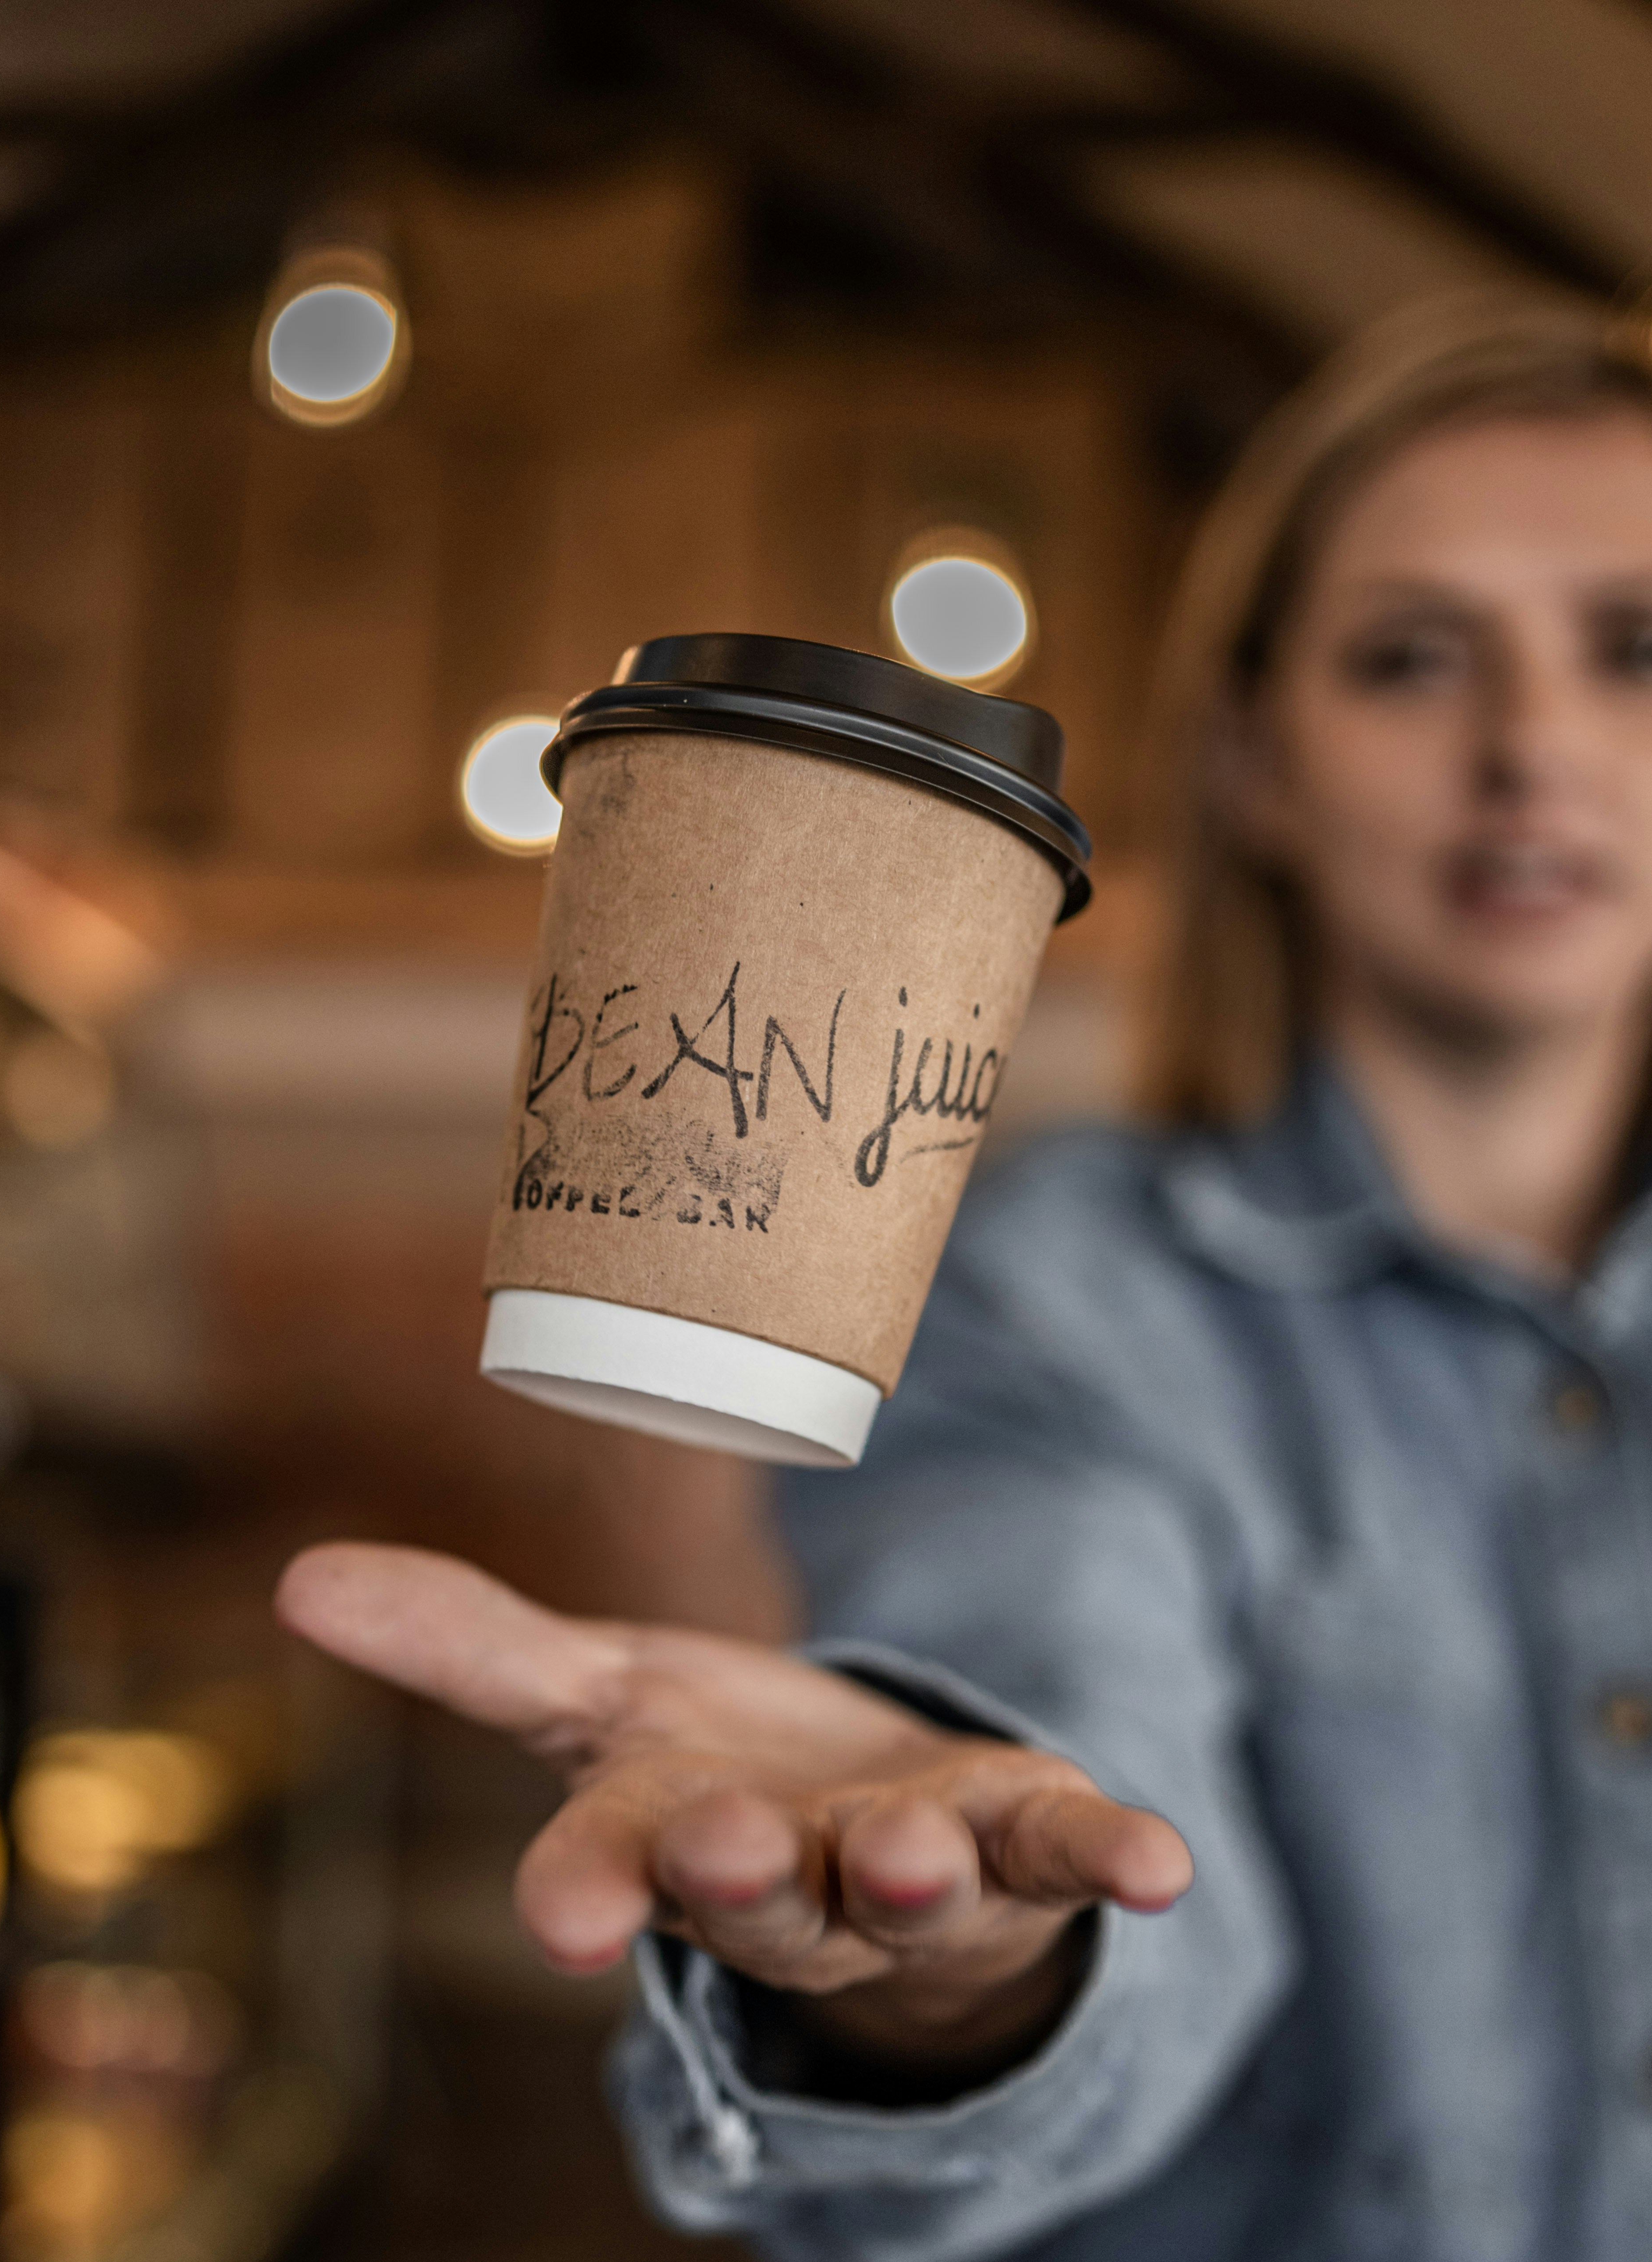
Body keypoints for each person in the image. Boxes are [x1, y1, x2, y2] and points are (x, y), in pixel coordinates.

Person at [276, 293, 1652, 2259]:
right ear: (1254, 760)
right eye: (1411, 658)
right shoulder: (1056, 1293)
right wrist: (965, 1960)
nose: (1533, 747)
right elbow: (1057, 1718)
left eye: (1633, 649)